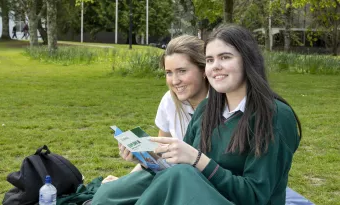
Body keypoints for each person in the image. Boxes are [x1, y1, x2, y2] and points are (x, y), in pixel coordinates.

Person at [92, 24, 302, 205]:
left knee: (180, 174)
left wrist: (197, 159)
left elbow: (255, 196)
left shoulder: (275, 116)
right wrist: (147, 156)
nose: (216, 66)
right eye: (210, 60)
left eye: (225, 57)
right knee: (108, 195)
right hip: (197, 191)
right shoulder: (207, 108)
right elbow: (181, 165)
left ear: (247, 60)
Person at [102, 35, 209, 183]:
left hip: (202, 185)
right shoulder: (169, 101)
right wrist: (139, 160)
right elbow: (161, 156)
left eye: (182, 71)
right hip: (173, 179)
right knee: (110, 190)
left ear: (204, 70)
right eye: (169, 72)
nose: (175, 81)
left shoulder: (223, 105)